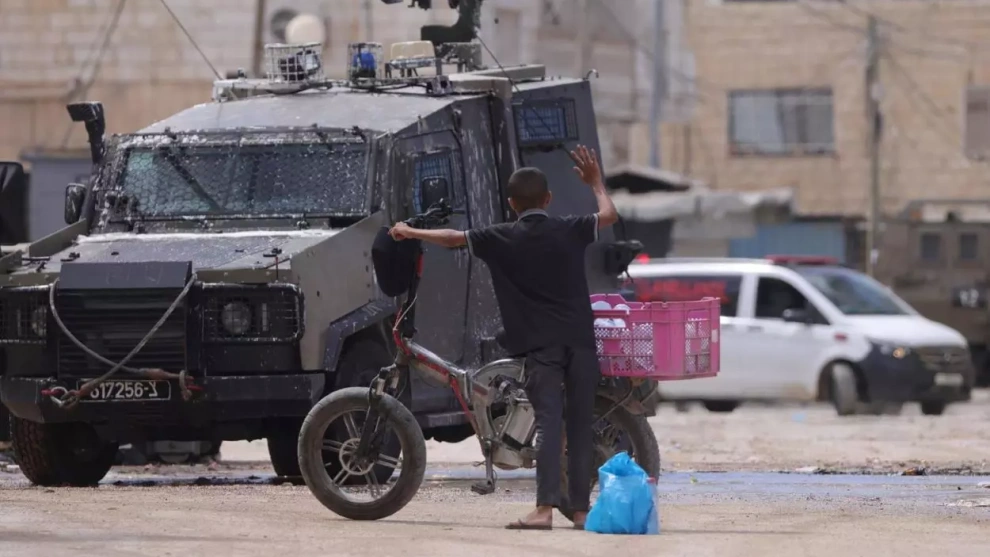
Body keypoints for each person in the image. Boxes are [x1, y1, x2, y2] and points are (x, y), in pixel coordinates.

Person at [388, 145, 619, 531]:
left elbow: (452, 238)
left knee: (549, 424)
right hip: (580, 341)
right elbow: (609, 215)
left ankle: (544, 511)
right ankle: (581, 512)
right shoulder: (570, 228)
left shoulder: (501, 236)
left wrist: (410, 231)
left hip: (542, 347)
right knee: (580, 425)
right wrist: (595, 183)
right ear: (548, 199)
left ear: (512, 204)